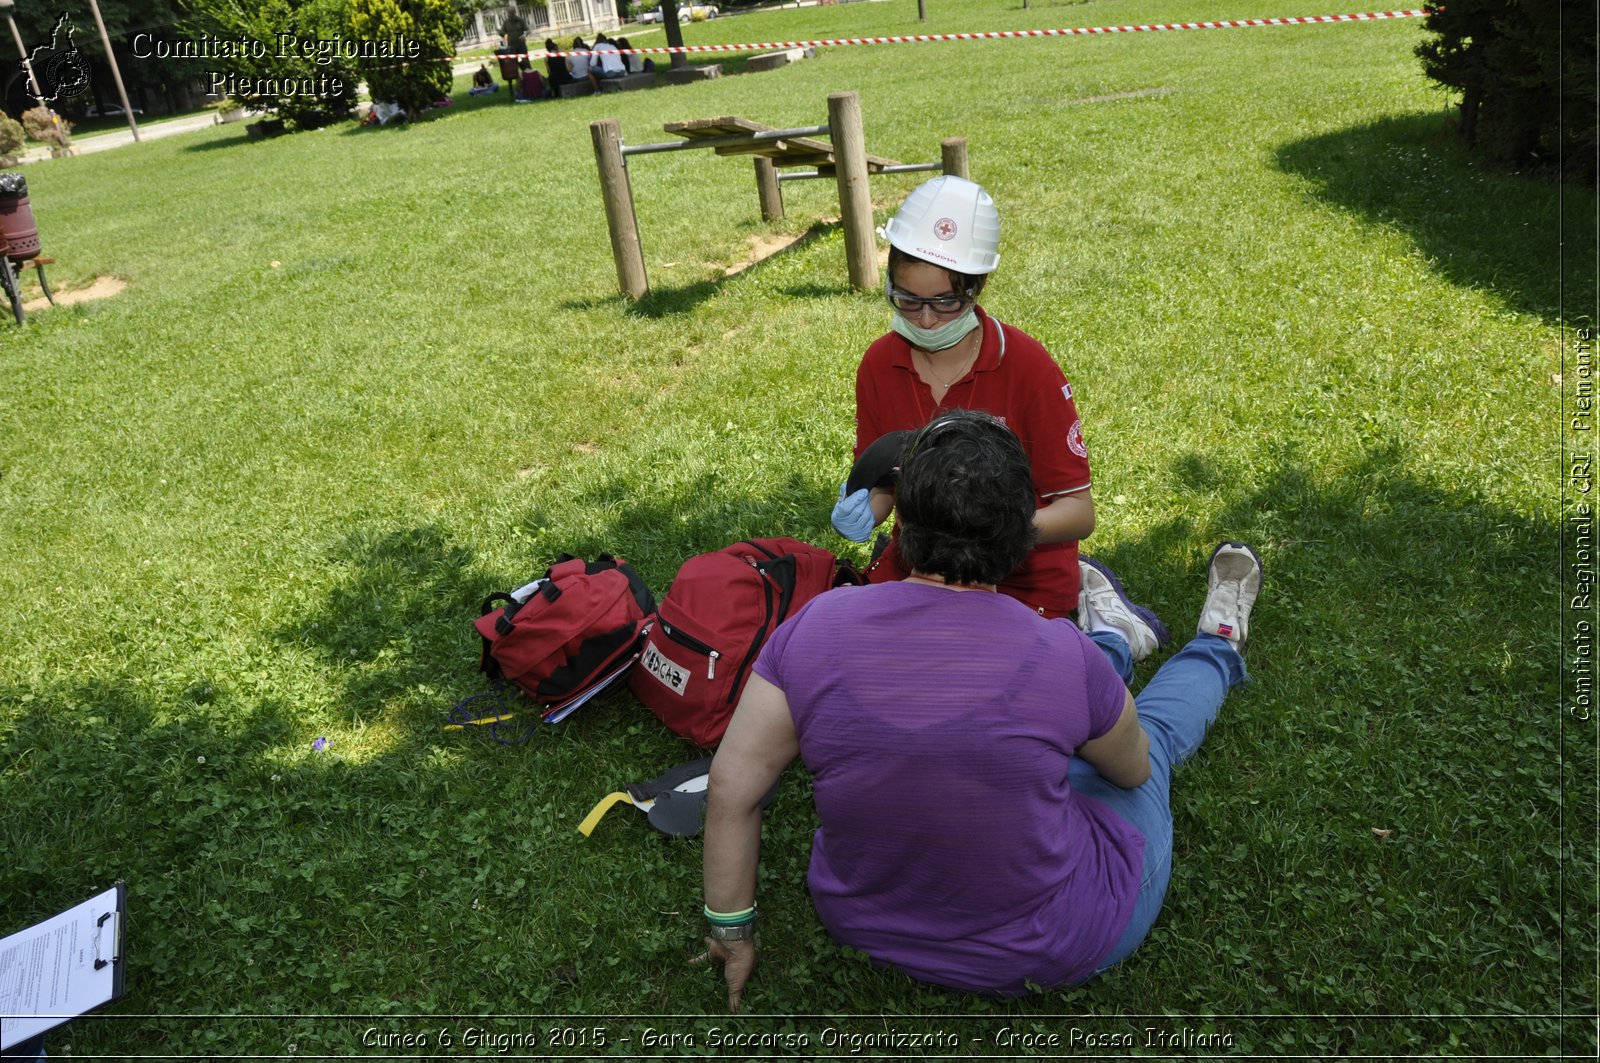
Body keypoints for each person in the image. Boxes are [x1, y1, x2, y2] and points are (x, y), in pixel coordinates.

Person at [699, 410, 1262, 1006]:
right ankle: (1215, 643)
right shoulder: (1054, 654)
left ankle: (1116, 642)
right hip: (1059, 941)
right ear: (1022, 535)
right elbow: (1133, 770)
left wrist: (731, 932)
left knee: (1062, 726)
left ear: (903, 524)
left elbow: (733, 790)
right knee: (1148, 738)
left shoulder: (813, 626)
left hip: (863, 928)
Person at [832, 176, 1096, 622]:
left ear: (978, 288)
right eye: (908, 301)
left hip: (1022, 581)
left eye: (946, 302)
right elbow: (883, 481)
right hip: (919, 569)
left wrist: (988, 533)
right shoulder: (880, 364)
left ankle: (1110, 631)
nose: (928, 320)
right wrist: (866, 509)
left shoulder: (1027, 368)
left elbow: (1078, 513)